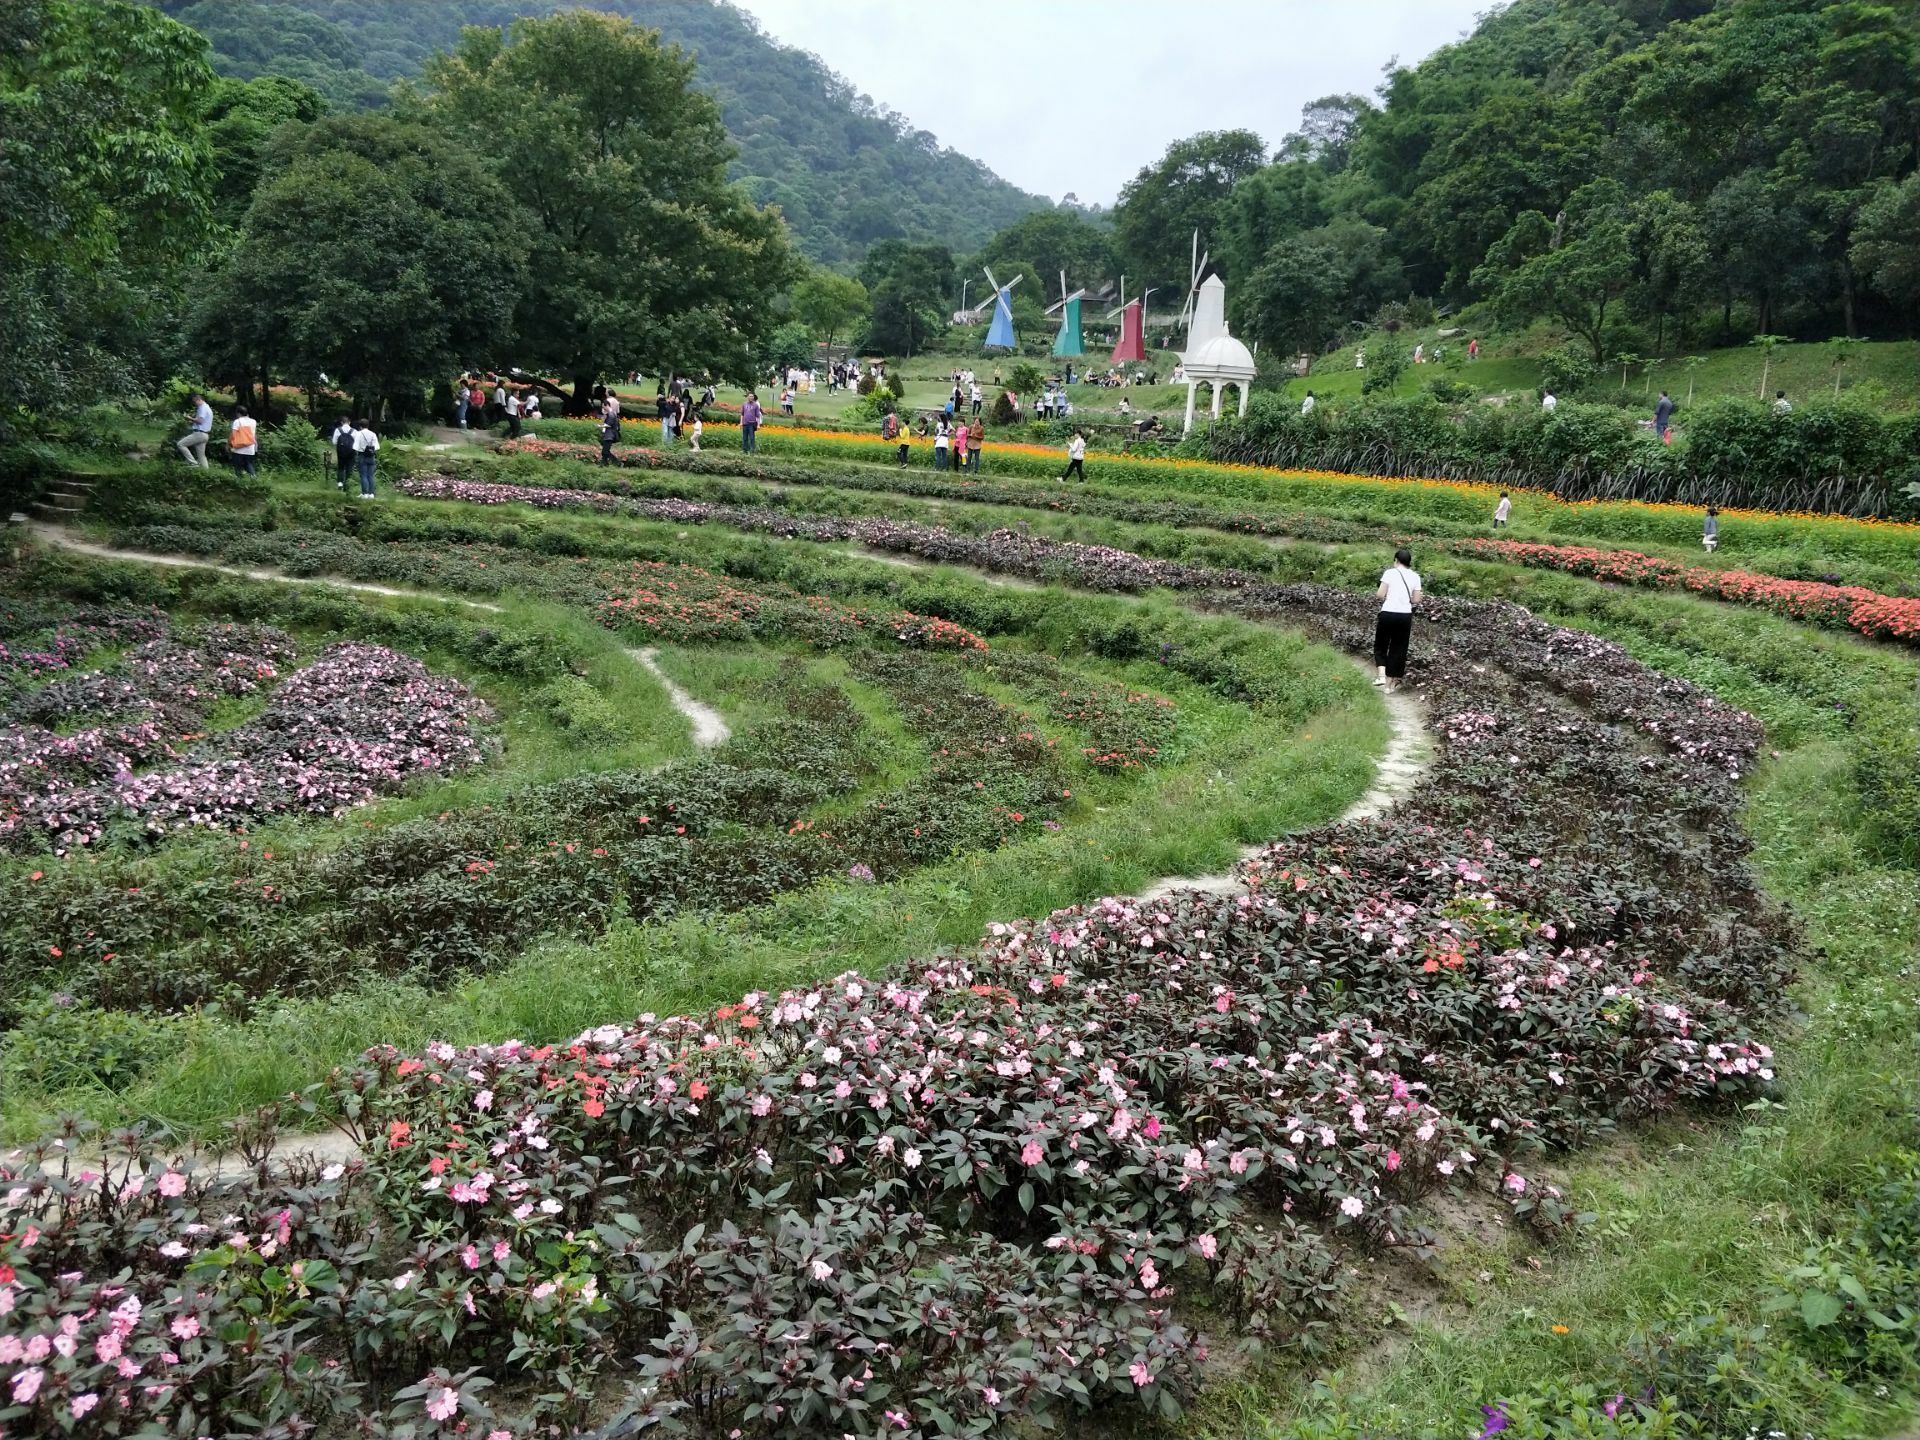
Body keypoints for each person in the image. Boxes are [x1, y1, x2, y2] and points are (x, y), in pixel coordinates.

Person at [1373, 547, 1423, 691]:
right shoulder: (1415, 576)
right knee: (1398, 648)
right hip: (1404, 616)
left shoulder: (1389, 573)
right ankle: (1390, 685)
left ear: (1396, 560)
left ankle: (1381, 675)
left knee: (1381, 645)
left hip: (1388, 613)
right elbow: (1416, 600)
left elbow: (1380, 594)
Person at [176, 392, 213, 467]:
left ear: (199, 400)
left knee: (180, 444)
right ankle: (206, 473)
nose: (195, 403)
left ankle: (193, 463)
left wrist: (189, 418)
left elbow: (200, 421)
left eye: (195, 401)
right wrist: (192, 421)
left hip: (199, 434)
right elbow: (201, 421)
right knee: (201, 456)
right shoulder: (207, 407)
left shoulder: (202, 408)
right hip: (205, 434)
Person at [351, 419, 380, 497]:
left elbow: (355, 447)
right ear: (368, 425)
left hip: (362, 455)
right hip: (371, 456)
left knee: (363, 475)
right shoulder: (373, 434)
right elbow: (377, 447)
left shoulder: (358, 434)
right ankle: (371, 493)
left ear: (360, 426)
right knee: (370, 475)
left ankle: (365, 493)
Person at [228, 407, 259, 478]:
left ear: (238, 413)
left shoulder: (237, 421)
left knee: (237, 465)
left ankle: (239, 480)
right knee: (249, 464)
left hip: (239, 448)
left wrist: (229, 444)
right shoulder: (253, 421)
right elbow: (254, 435)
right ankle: (253, 477)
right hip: (250, 448)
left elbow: (233, 434)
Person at [330, 417, 356, 491]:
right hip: (351, 452)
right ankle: (347, 485)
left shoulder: (338, 430)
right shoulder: (354, 431)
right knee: (349, 468)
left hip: (341, 452)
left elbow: (334, 442)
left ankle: (340, 483)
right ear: (349, 422)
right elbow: (357, 443)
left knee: (341, 467)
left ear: (342, 422)